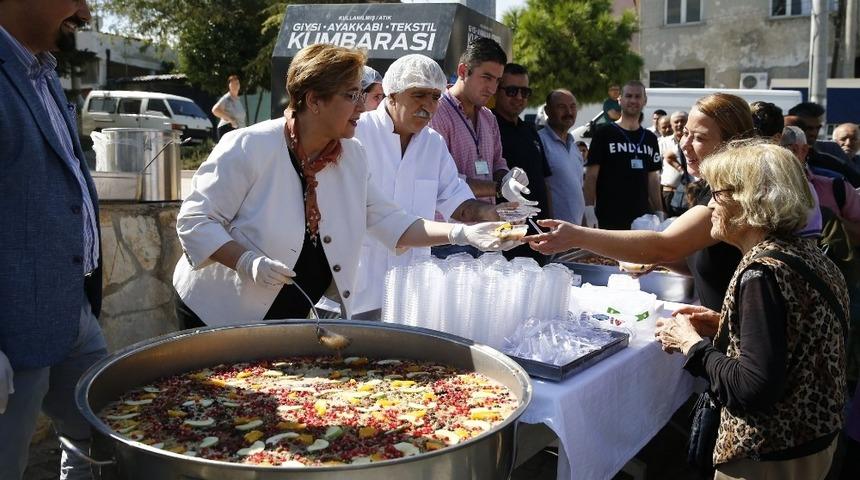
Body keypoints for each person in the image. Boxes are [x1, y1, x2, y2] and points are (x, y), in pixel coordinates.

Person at [172, 44, 518, 327]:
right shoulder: (250, 145)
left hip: (288, 310)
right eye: (351, 95)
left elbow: (389, 221)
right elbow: (195, 222)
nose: (362, 106)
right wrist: (248, 263)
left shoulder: (350, 155)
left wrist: (462, 234)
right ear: (314, 100)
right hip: (215, 312)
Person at [655, 141, 848, 479]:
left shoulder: (763, 271)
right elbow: (799, 337)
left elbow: (751, 389)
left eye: (716, 193)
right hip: (812, 442)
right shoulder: (808, 252)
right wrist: (727, 326)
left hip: (771, 454)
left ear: (749, 199)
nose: (710, 205)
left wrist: (690, 345)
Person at [0, 1, 109, 479]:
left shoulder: (39, 68)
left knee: (103, 434)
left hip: (72, 311)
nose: (85, 12)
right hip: (11, 332)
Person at [524, 93, 756, 311]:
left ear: (733, 142)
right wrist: (658, 261)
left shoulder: (731, 196)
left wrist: (577, 236)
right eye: (686, 133)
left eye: (699, 137)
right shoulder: (713, 187)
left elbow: (664, 244)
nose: (685, 144)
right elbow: (696, 262)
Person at [351, 54, 503, 318]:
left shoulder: (432, 143)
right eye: (418, 95)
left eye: (434, 97)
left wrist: (497, 217)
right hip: (357, 288)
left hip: (409, 292)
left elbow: (456, 200)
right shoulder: (357, 134)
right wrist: (461, 235)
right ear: (392, 94)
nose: (428, 106)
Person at [430, 37, 531, 207]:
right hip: (450, 229)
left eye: (497, 80)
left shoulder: (488, 117)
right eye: (486, 77)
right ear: (463, 71)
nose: (492, 89)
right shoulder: (437, 112)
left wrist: (508, 178)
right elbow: (443, 180)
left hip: (488, 226)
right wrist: (499, 188)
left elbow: (498, 162)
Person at [492, 63, 553, 264]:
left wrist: (549, 226)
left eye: (525, 92)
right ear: (497, 91)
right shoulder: (488, 125)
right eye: (511, 91)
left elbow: (543, 181)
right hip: (506, 234)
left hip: (538, 233)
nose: (519, 97)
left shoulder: (530, 130)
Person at [584, 80, 664, 230]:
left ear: (644, 101)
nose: (633, 100)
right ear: (620, 100)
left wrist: (659, 211)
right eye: (628, 96)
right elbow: (591, 175)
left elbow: (653, 179)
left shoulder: (650, 138)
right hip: (608, 217)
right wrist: (588, 209)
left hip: (642, 220)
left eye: (637, 96)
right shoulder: (604, 133)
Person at [540, 89, 585, 226]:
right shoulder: (540, 142)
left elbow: (578, 191)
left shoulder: (574, 147)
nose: (569, 112)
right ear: (547, 111)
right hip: (554, 235)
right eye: (561, 107)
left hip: (575, 234)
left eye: (572, 106)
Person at [787, 102, 860, 186]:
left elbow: (855, 181)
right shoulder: (776, 153)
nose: (814, 133)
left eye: (817, 128)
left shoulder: (831, 150)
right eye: (808, 128)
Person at [660, 110, 691, 217]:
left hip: (690, 194)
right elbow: (655, 171)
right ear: (671, 125)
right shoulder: (662, 143)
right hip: (668, 193)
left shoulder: (695, 142)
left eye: (683, 121)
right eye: (676, 122)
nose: (679, 124)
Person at [212, 74, 247, 140]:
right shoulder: (227, 98)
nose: (235, 86)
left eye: (237, 83)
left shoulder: (237, 100)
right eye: (233, 84)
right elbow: (215, 110)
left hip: (238, 132)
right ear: (229, 86)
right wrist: (230, 119)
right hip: (227, 131)